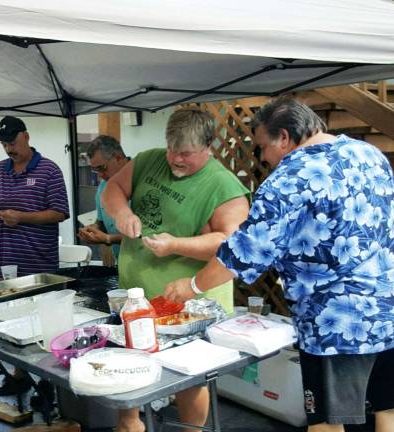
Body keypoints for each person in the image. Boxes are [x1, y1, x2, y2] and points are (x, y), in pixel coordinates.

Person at [164, 98, 394, 432]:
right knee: (391, 410)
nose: (263, 157)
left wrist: (191, 287)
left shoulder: (287, 181)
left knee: (325, 422)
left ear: (284, 137)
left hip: (337, 321)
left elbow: (244, 252)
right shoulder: (368, 154)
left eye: (263, 146)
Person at [102, 109, 250, 432]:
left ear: (209, 146)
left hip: (191, 304)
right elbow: (112, 188)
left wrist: (175, 245)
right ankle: (130, 426)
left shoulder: (225, 186)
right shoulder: (148, 160)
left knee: (188, 379)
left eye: (185, 153)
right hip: (137, 295)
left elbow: (232, 244)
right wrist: (122, 213)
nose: (175, 159)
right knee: (130, 365)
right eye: (171, 149)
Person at [0, 115, 69, 278]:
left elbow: (59, 212)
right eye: (4, 145)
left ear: (26, 136)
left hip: (39, 270)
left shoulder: (49, 170)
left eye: (13, 143)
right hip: (4, 269)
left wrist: (22, 217)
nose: (9, 149)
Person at [77, 135, 129, 260]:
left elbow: (146, 236)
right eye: (95, 170)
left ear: (118, 157)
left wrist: (108, 238)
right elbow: (102, 222)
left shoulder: (143, 183)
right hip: (121, 263)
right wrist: (94, 230)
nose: (100, 176)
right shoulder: (104, 186)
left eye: (102, 168)